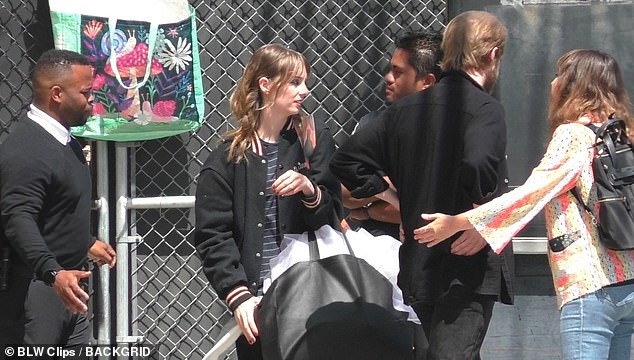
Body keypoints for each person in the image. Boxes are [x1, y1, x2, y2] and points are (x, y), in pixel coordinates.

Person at [415, 49, 634, 360]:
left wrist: (460, 221)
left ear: (574, 86)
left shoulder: (573, 136)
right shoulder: (622, 134)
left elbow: (528, 195)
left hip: (589, 284)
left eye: (560, 76)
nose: (553, 83)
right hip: (626, 282)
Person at [330, 11, 514, 359]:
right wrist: (477, 213)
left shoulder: (402, 112)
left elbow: (344, 162)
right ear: (493, 55)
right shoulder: (487, 109)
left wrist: (396, 197)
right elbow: (477, 164)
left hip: (419, 263)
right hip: (466, 267)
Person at [194, 43, 343, 360]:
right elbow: (212, 234)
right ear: (265, 84)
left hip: (312, 296)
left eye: (304, 81)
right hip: (258, 303)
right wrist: (238, 295)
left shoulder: (313, 139)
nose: (304, 90)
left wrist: (309, 189)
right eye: (294, 81)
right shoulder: (229, 157)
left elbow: (333, 216)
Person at [0, 49, 116, 349]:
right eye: (86, 92)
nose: (92, 99)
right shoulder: (26, 149)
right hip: (35, 293)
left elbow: (55, 207)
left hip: (69, 288)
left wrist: (85, 241)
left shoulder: (66, 143)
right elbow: (18, 218)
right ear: (56, 94)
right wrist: (53, 272)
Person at [343, 30, 442, 240]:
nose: (388, 78)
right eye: (390, 69)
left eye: (398, 72)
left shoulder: (448, 132)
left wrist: (369, 208)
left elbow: (430, 210)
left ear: (427, 81)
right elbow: (344, 194)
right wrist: (392, 185)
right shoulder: (372, 124)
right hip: (372, 252)